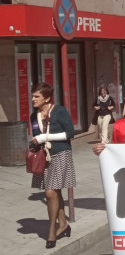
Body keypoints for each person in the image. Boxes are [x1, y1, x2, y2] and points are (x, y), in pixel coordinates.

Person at [29, 83, 75, 249]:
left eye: (37, 96)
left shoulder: (59, 111)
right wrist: (36, 141)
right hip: (45, 157)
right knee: (55, 192)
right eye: (32, 96)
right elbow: (36, 135)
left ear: (47, 98)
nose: (33, 99)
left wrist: (45, 137)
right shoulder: (34, 116)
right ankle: (63, 225)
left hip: (61, 154)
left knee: (50, 192)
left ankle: (51, 230)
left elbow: (70, 133)